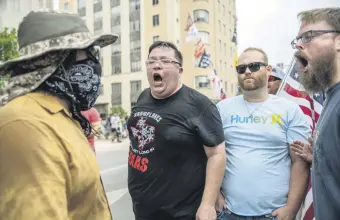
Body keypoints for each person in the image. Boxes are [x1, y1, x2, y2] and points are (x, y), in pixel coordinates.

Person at [0, 10, 118, 220]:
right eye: (88, 52)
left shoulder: (62, 115)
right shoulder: (26, 124)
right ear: (57, 60)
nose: (94, 62)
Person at [127, 41, 226, 220]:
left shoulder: (199, 105)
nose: (157, 64)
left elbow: (217, 154)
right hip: (143, 209)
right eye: (152, 61)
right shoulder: (143, 97)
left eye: (165, 61)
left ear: (179, 71)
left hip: (181, 211)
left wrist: (208, 204)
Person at [216, 47, 311, 220]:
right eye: (241, 68)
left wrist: (291, 208)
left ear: (268, 70)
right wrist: (216, 196)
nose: (247, 72)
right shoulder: (222, 108)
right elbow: (211, 156)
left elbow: (300, 162)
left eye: (254, 66)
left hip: (273, 214)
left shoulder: (289, 109)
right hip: (228, 212)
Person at [290, 7, 340, 219]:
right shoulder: (331, 98)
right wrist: (320, 157)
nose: (299, 44)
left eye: (309, 36)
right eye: (298, 39)